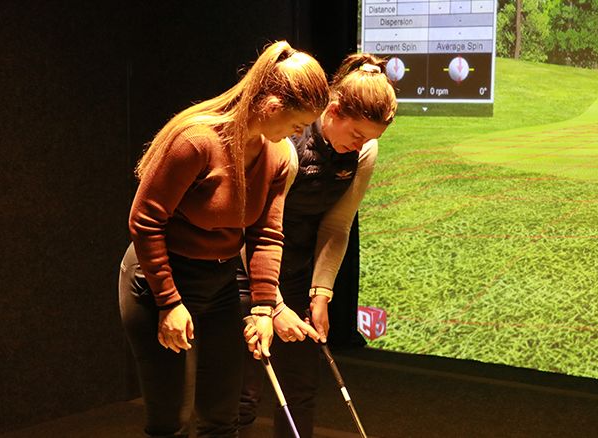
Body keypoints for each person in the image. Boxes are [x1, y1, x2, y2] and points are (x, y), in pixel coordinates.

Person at [118, 41, 329, 438]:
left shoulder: (280, 155)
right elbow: (145, 221)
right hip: (158, 281)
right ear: (270, 107)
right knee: (171, 421)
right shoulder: (196, 140)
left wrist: (265, 308)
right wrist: (169, 302)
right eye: (297, 123)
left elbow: (267, 234)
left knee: (222, 418)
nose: (299, 134)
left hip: (220, 287)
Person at [239, 53, 397, 438]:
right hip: (246, 269)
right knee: (246, 391)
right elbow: (250, 231)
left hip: (296, 269)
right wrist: (271, 305)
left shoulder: (363, 151)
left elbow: (338, 223)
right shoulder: (287, 147)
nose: (360, 146)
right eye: (357, 134)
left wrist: (322, 292)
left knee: (301, 386)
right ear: (335, 109)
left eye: (370, 139)